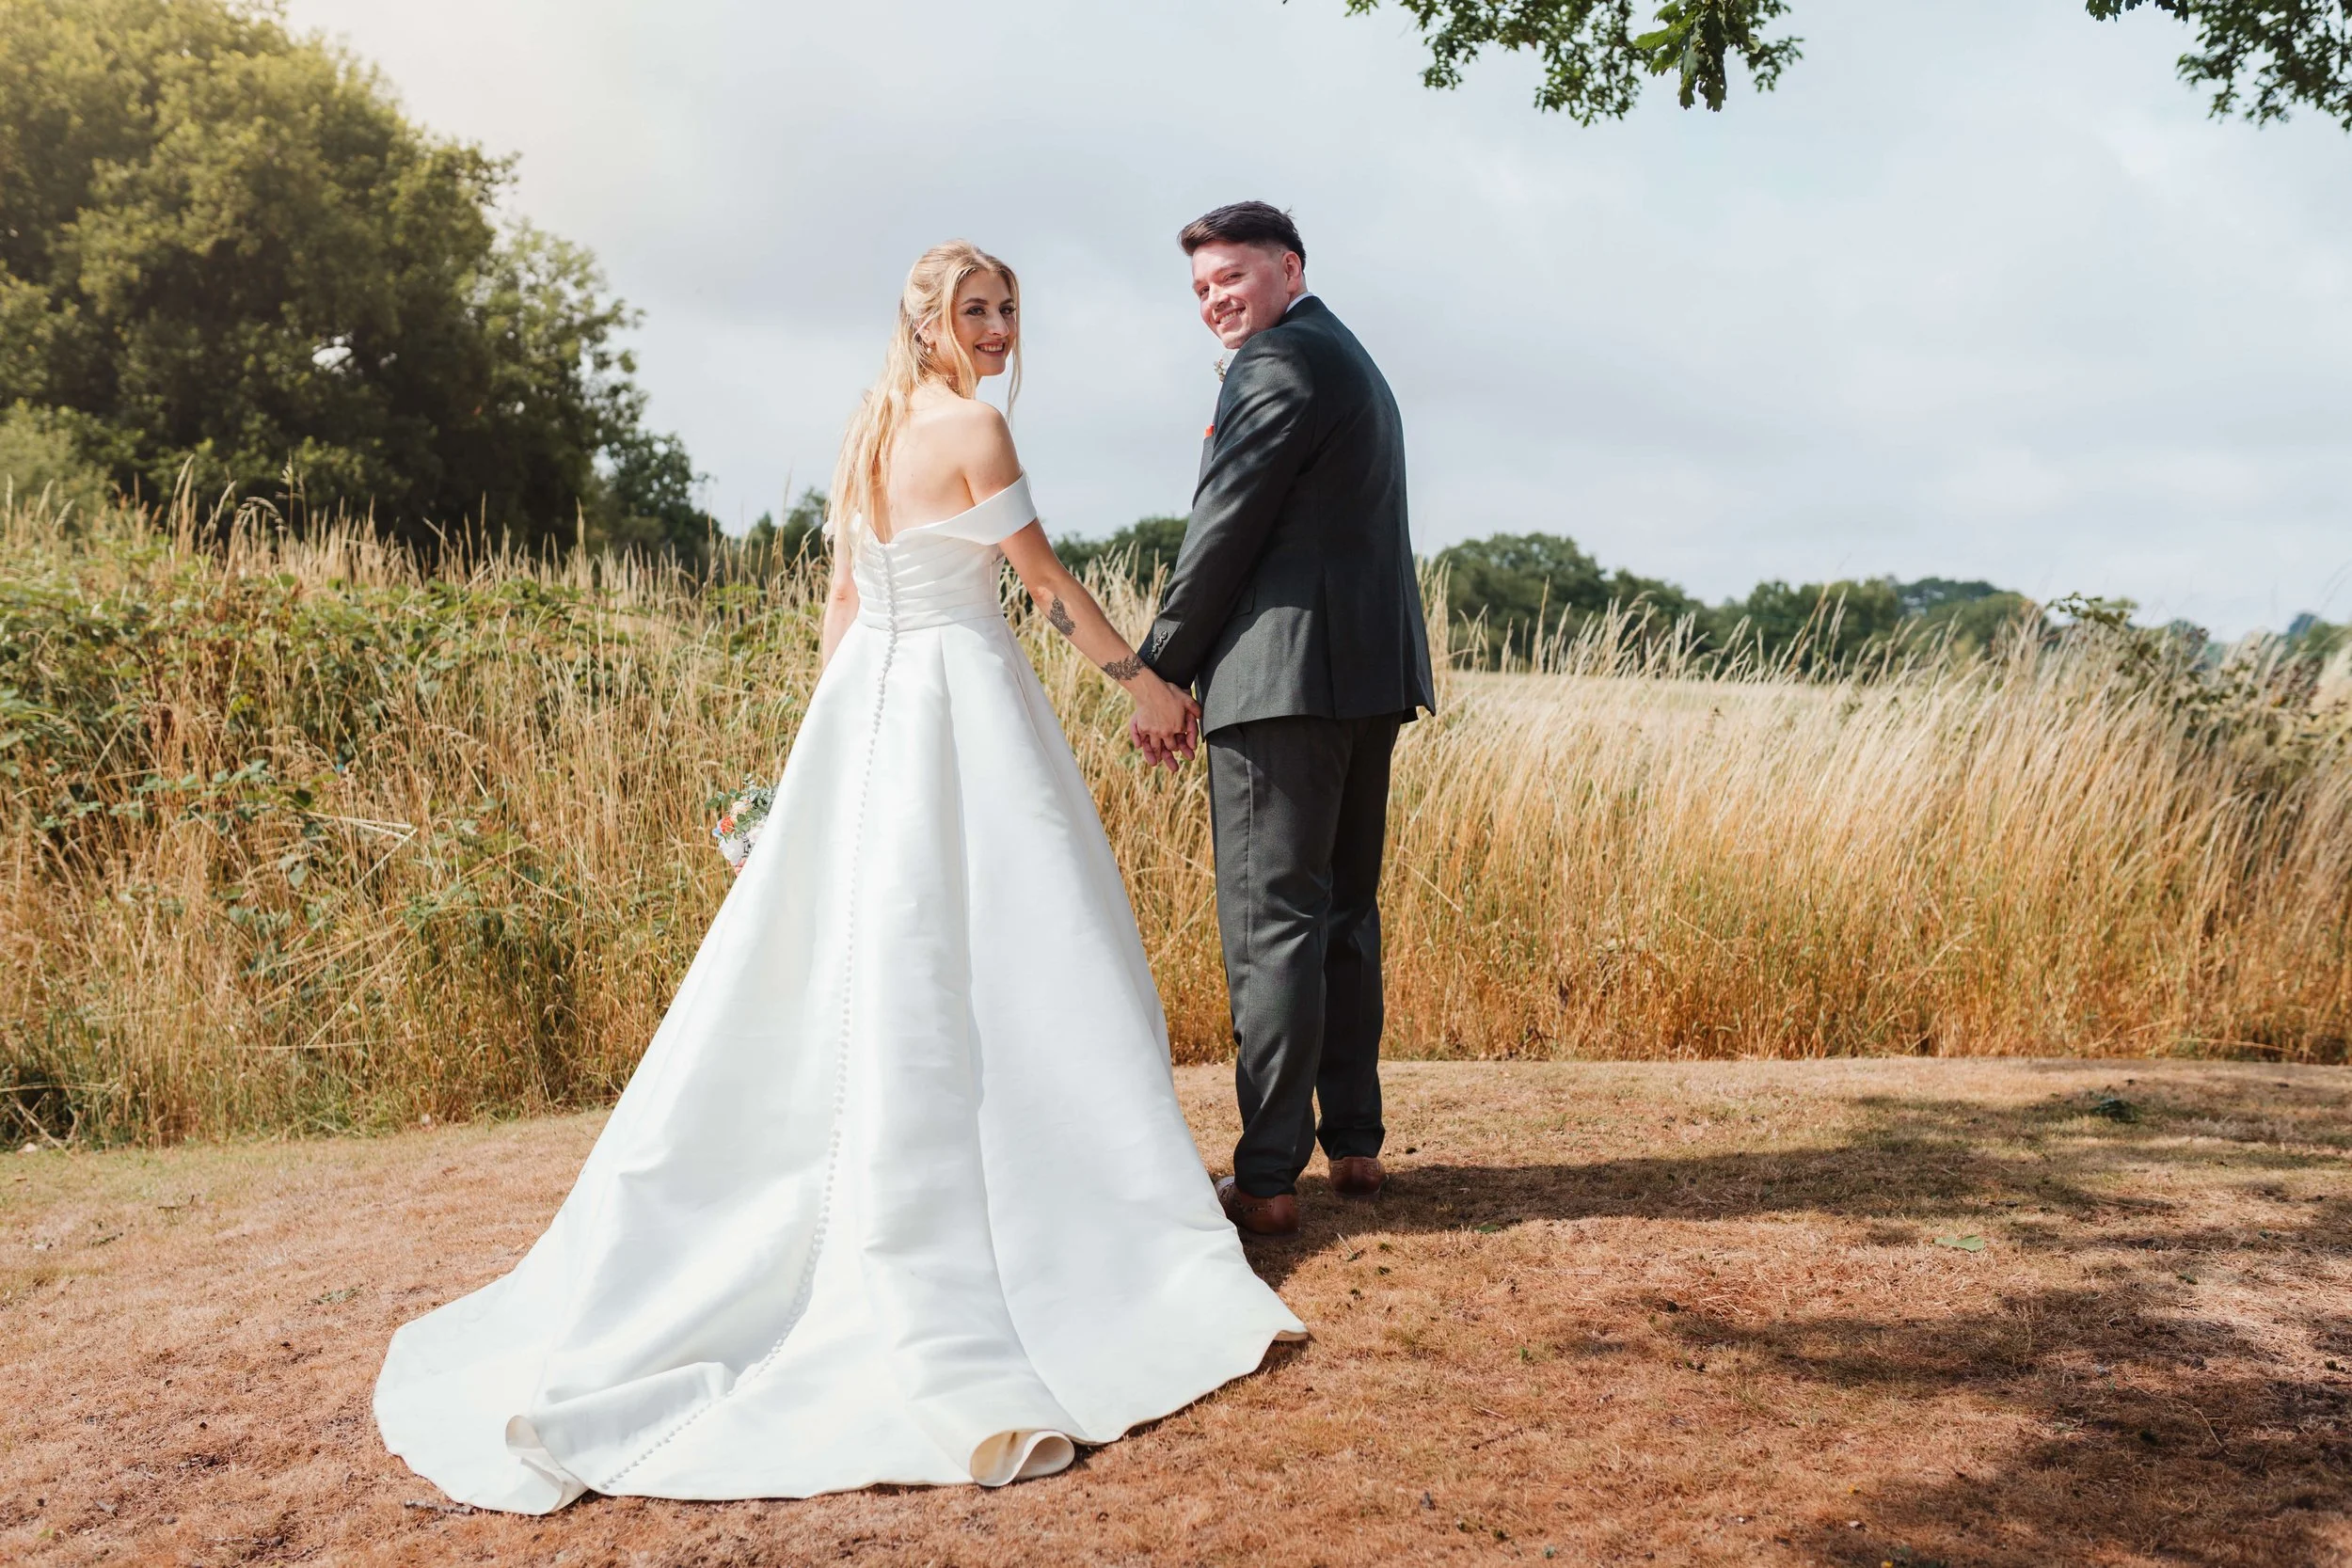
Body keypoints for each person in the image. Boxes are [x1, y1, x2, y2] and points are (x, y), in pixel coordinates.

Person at [373, 241, 1304, 1514]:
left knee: (885, 952)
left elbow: (845, 605)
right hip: (959, 699)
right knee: (1011, 944)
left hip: (872, 706)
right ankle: (1053, 1207)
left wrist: (812, 760)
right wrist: (1141, 678)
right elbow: (1041, 587)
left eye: (1010, 309)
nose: (997, 329)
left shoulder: (868, 432)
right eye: (976, 309)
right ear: (928, 319)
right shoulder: (971, 426)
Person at [1135, 202, 1437, 1241]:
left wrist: (1157, 667)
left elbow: (1225, 527)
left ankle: (1266, 1174)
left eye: (1231, 276)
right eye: (1200, 288)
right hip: (1365, 678)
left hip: (1281, 685)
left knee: (1273, 930)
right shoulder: (1345, 357)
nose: (1215, 299)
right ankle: (1353, 1141)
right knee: (1342, 915)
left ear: (1288, 267)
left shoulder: (1272, 367)